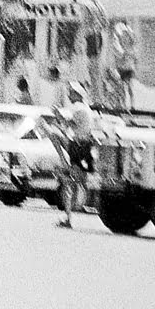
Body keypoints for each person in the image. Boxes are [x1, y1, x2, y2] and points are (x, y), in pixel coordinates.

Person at [55, 83, 96, 229]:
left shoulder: (78, 107)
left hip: (78, 147)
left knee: (70, 182)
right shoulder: (85, 108)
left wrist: (58, 116)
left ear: (78, 94)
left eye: (71, 92)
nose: (69, 95)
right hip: (81, 146)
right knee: (74, 181)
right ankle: (68, 215)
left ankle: (68, 217)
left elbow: (70, 124)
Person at [78, 0, 109, 101]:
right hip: (97, 36)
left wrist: (81, 36)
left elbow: (85, 23)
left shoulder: (88, 5)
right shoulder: (99, 5)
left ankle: (97, 98)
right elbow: (105, 23)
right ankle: (97, 97)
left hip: (93, 36)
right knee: (95, 68)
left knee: (93, 68)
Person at [111, 20, 138, 112]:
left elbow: (133, 40)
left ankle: (132, 105)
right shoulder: (121, 41)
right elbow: (118, 53)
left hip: (129, 68)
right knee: (122, 87)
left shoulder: (131, 46)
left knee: (129, 87)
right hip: (123, 67)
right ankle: (122, 104)